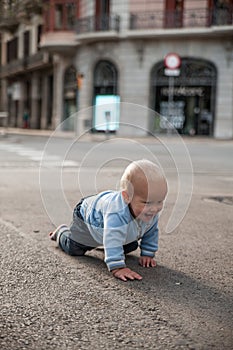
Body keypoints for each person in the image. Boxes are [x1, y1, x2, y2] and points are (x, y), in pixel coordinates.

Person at [49, 159, 168, 281]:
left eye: (159, 201)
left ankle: (108, 246)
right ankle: (61, 232)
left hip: (108, 222)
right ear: (126, 197)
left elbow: (151, 231)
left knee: (129, 246)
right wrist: (117, 266)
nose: (154, 208)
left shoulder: (149, 212)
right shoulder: (116, 212)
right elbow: (113, 236)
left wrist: (147, 254)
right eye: (147, 202)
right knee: (75, 248)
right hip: (88, 217)